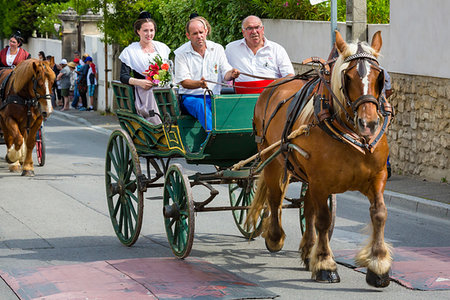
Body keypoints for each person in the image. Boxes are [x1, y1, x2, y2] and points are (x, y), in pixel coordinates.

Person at [174, 16, 240, 131]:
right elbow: (184, 82)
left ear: (206, 32)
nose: (199, 36)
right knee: (200, 105)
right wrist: (199, 84)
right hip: (191, 98)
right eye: (195, 33)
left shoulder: (217, 48)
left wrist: (232, 73)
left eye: (201, 32)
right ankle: (214, 136)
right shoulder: (181, 53)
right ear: (188, 36)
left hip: (214, 97)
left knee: (235, 105)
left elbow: (226, 73)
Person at [119, 11, 171, 124]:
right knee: (152, 95)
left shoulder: (161, 48)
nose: (149, 34)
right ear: (138, 31)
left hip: (162, 86)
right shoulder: (130, 51)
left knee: (175, 93)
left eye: (151, 30)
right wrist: (140, 82)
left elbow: (167, 70)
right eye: (145, 30)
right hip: (144, 89)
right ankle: (157, 124)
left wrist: (163, 78)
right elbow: (123, 76)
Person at [225, 15, 294, 94]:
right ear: (243, 32)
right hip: (240, 98)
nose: (254, 31)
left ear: (263, 30)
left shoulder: (277, 49)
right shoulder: (231, 49)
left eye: (257, 27)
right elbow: (223, 73)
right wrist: (231, 74)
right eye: (249, 28)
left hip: (271, 97)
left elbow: (289, 75)